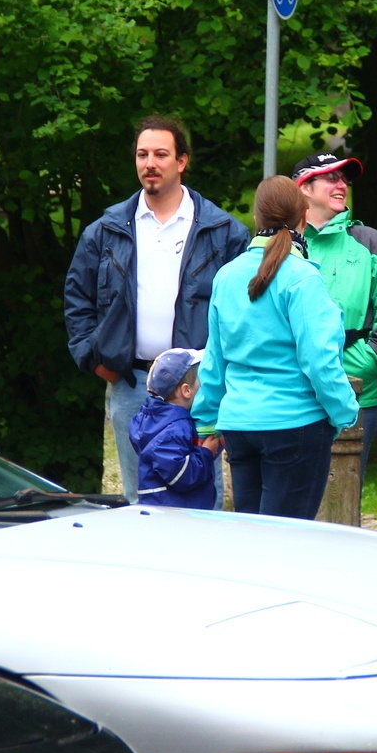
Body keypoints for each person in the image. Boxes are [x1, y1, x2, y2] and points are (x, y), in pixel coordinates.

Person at [64, 115, 250, 505]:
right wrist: (95, 361)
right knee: (141, 502)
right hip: (132, 383)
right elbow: (77, 299)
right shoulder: (107, 229)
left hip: (198, 387)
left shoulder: (223, 231)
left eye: (161, 154)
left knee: (202, 499)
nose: (150, 163)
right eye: (142, 154)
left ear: (181, 161)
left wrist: (223, 373)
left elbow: (243, 311)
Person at [192, 177, 360, 519]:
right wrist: (344, 411)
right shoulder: (303, 277)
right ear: (303, 219)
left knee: (252, 538)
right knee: (287, 540)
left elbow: (214, 358)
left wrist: (207, 420)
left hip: (239, 425)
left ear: (257, 219)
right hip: (295, 423)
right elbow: (319, 360)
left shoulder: (226, 276)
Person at [293, 152, 377, 482]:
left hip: (357, 388)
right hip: (293, 389)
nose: (342, 185)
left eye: (345, 179)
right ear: (304, 186)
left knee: (344, 492)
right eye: (331, 178)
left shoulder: (370, 242)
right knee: (295, 494)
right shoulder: (281, 243)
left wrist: (368, 359)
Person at [129, 347, 217, 509]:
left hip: (167, 508)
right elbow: (181, 476)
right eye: (202, 380)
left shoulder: (157, 421)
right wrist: (206, 453)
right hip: (175, 511)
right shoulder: (174, 429)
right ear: (186, 390)